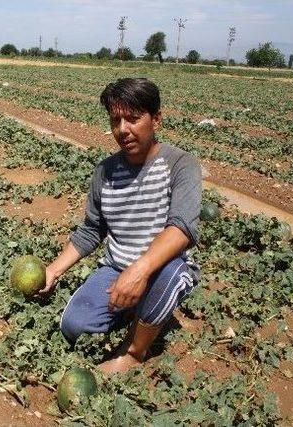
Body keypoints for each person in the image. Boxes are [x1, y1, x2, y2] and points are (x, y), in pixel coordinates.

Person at [42, 78, 201, 373]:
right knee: (73, 327)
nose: (123, 129)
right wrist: (52, 270)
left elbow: (182, 229)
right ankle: (137, 308)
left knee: (174, 272)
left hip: (161, 268)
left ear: (156, 119)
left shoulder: (181, 164)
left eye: (133, 118)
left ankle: (134, 351)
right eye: (116, 120)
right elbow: (92, 230)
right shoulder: (104, 172)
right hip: (116, 268)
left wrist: (139, 271)